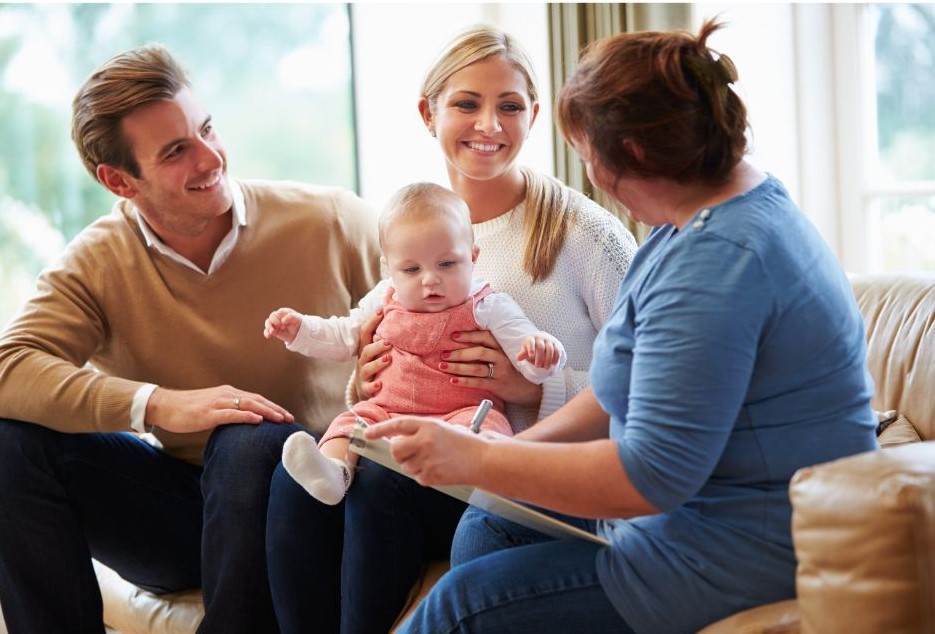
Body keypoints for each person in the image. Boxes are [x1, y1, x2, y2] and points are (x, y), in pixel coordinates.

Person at [363, 20, 880, 634]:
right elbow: (616, 392)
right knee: (492, 519)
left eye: (586, 155)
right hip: (696, 513)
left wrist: (475, 460)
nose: (587, 176)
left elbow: (650, 477)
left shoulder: (717, 267)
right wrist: (502, 453)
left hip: (737, 548)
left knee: (461, 605)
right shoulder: (693, 217)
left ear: (631, 154)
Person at [264, 25, 637, 634]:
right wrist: (365, 381)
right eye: (467, 103)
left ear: (534, 115)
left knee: (382, 482)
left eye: (509, 106)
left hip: (526, 475)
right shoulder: (415, 230)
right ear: (428, 112)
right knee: (295, 483)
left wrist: (532, 390)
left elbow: (647, 378)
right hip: (436, 458)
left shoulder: (582, 233)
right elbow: (381, 343)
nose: (488, 125)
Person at [0, 44, 381, 633]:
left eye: (206, 129)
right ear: (119, 180)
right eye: (177, 151)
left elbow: (433, 307)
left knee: (250, 435)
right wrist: (158, 404)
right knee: (9, 443)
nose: (210, 159)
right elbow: (10, 368)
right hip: (187, 516)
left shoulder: (330, 220)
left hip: (320, 495)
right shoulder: (100, 262)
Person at [263, 182, 565, 505]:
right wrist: (300, 330)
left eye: (446, 264)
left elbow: (525, 345)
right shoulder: (384, 297)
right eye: (411, 269)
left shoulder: (487, 305)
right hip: (386, 412)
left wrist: (541, 352)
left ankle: (480, 482)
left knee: (488, 428)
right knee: (349, 423)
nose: (430, 279)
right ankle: (335, 473)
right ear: (389, 270)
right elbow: (342, 335)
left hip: (461, 415)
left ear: (473, 257)